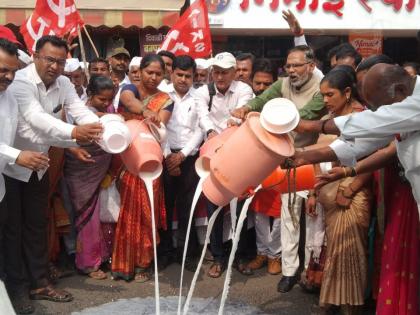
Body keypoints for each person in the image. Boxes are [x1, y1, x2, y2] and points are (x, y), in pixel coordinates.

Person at [3, 35, 103, 314]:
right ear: (35, 56)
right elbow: (35, 120)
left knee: (36, 225)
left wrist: (97, 128)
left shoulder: (64, 83)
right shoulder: (20, 81)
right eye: (49, 59)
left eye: (60, 61)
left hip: (39, 164)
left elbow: (79, 110)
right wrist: (74, 135)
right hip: (9, 167)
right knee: (12, 231)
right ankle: (16, 288)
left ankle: (38, 283)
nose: (55, 66)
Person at [232, 45, 326, 293]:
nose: (291, 70)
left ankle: (310, 273)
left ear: (311, 66)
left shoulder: (321, 87)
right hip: (289, 160)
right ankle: (289, 272)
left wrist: (269, 122)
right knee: (289, 218)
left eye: (296, 65)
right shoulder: (282, 84)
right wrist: (247, 108)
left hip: (316, 160)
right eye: (288, 65)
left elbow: (305, 116)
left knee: (314, 223)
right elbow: (261, 100)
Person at [292, 63, 420, 216]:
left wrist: (311, 126)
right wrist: (304, 157)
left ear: (400, 90)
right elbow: (362, 142)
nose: (381, 112)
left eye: (383, 107)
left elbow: (374, 123)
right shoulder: (403, 102)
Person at [307, 67, 371, 313]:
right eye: (322, 95)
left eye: (329, 94)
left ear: (347, 92)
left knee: (349, 253)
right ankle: (334, 300)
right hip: (331, 194)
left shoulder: (363, 118)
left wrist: (351, 188)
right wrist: (314, 191)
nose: (325, 100)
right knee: (334, 251)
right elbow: (317, 153)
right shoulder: (331, 119)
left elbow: (375, 157)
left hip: (352, 196)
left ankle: (350, 306)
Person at [112, 54, 174, 282]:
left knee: (148, 214)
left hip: (149, 161)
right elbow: (129, 102)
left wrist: (152, 117)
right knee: (127, 214)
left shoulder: (166, 100)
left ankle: (144, 263)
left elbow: (159, 127)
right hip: (125, 162)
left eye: (159, 74)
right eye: (150, 72)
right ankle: (123, 263)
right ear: (140, 71)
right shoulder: (129, 88)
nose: (154, 77)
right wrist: (145, 111)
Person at [0, 38, 51, 303]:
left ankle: (15, 293)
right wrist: (17, 155)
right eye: (2, 70)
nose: (8, 77)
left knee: (10, 240)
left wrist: (72, 137)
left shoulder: (9, 96)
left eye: (12, 70)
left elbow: (31, 123)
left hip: (1, 187)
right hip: (10, 173)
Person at [195, 52, 254, 278]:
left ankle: (239, 256)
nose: (219, 76)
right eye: (216, 72)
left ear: (234, 73)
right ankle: (218, 257)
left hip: (238, 152)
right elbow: (203, 117)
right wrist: (212, 133)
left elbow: (240, 114)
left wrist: (232, 125)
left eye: (224, 72)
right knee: (214, 207)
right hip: (213, 152)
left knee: (240, 208)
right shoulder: (203, 92)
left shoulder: (244, 90)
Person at [63, 75, 115, 280]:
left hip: (101, 172)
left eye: (109, 100)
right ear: (90, 94)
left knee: (99, 216)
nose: (106, 103)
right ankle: (87, 263)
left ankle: (101, 256)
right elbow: (67, 140)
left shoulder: (109, 112)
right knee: (86, 217)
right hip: (80, 171)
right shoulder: (76, 114)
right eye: (102, 99)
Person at [161, 55, 204, 270]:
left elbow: (200, 129)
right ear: (172, 73)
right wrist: (169, 155)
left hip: (189, 158)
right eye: (179, 74)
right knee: (166, 207)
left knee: (188, 207)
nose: (183, 79)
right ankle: (166, 251)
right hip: (164, 155)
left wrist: (182, 155)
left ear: (193, 77)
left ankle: (185, 252)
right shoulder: (161, 95)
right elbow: (158, 127)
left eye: (188, 76)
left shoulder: (199, 98)